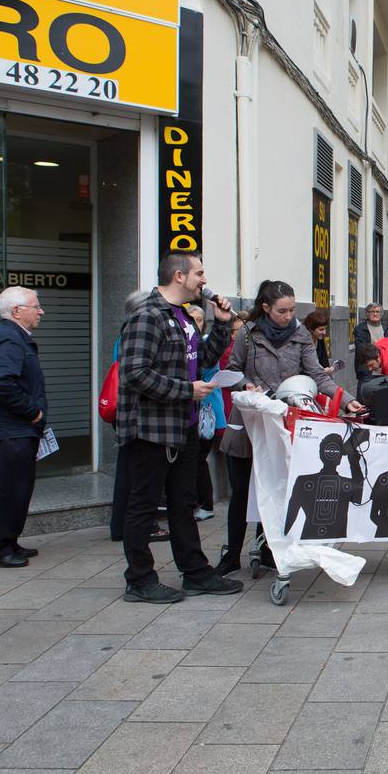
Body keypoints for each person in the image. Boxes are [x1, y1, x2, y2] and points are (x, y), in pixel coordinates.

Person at [116, 252, 243, 603]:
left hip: (182, 427)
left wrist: (219, 323)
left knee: (182, 503)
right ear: (178, 275)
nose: (204, 280)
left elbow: (201, 360)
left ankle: (196, 573)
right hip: (151, 430)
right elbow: (134, 373)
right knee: (142, 505)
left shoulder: (182, 318)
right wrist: (187, 390)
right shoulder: (146, 316)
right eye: (199, 273)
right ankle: (139, 579)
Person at [218, 280, 361, 575]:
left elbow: (317, 377)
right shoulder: (248, 333)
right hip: (247, 423)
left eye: (293, 309)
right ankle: (231, 555)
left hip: (284, 424)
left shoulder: (300, 335)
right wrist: (246, 384)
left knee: (277, 487)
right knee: (242, 491)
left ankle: (271, 551)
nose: (289, 316)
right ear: (266, 308)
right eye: (282, 310)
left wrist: (347, 401)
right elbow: (231, 370)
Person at [0, 286, 47, 568]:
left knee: (18, 488)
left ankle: (9, 541)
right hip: (10, 430)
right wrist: (32, 412)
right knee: (8, 490)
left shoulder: (15, 337)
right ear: (17, 311)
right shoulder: (10, 339)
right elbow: (1, 383)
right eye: (35, 306)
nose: (41, 311)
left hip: (14, 429)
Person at [109, 289, 168, 544]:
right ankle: (134, 528)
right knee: (136, 481)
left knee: (128, 474)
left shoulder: (124, 335)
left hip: (128, 412)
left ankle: (120, 525)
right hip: (137, 412)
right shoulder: (137, 333)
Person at [186, 305, 224, 522]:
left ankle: (206, 504)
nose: (196, 323)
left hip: (206, 412)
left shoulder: (205, 345)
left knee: (199, 459)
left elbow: (208, 368)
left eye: (200, 319)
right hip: (192, 411)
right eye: (192, 318)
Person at [353, 302, 388, 386]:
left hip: (384, 370)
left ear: (381, 314)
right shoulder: (360, 329)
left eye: (377, 312)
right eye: (372, 312)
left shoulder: (387, 329)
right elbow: (361, 349)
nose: (375, 314)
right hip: (367, 371)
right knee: (364, 397)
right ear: (367, 313)